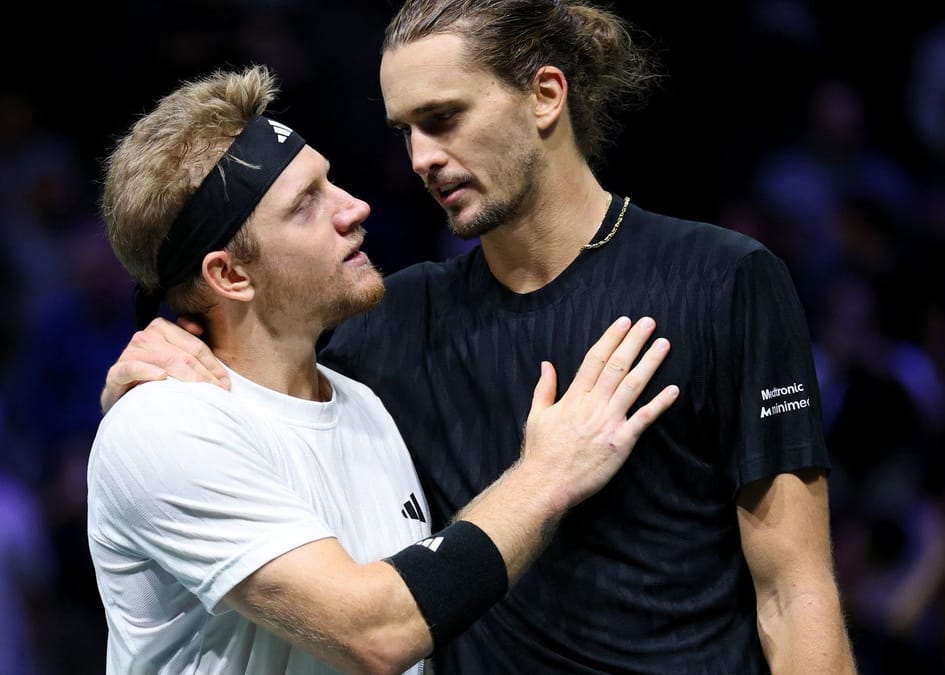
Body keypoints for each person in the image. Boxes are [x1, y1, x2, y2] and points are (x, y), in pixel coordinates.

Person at [101, 1, 858, 672]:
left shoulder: (726, 281)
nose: (420, 159)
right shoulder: (383, 327)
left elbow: (795, 595)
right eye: (406, 131)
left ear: (545, 94)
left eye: (444, 118)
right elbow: (246, 371)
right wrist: (150, 357)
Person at [89, 62, 679, 675]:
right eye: (306, 205)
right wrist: (549, 474)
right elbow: (375, 632)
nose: (354, 208)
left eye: (330, 183)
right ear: (230, 275)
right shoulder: (165, 424)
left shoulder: (365, 401)